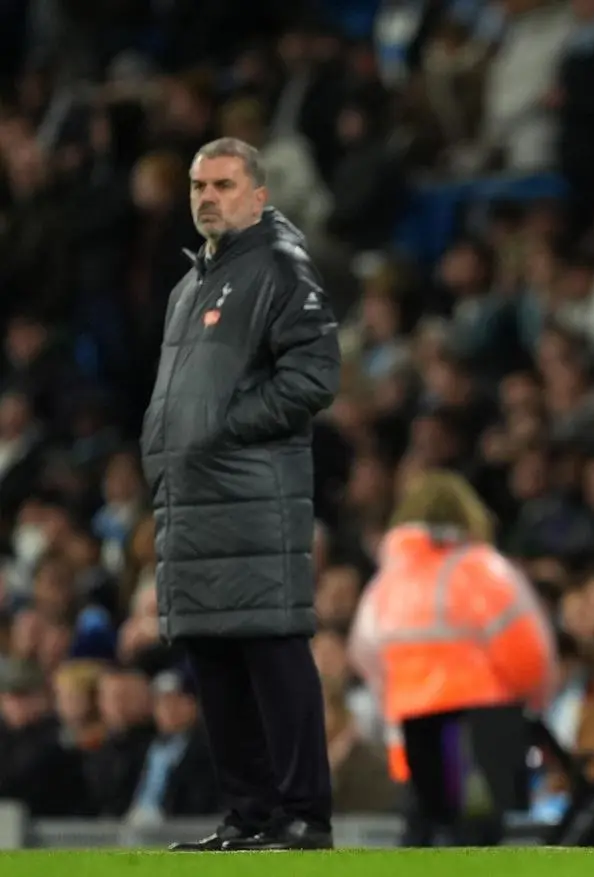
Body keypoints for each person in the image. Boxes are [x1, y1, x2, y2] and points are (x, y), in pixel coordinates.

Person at [139, 137, 342, 851]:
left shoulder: (279, 267)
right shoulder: (189, 284)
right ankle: (248, 814)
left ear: (259, 194)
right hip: (194, 504)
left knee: (271, 650)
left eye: (223, 184)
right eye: (198, 185)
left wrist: (224, 432)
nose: (207, 197)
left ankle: (302, 815)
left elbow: (315, 374)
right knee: (215, 658)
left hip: (252, 495)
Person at [348, 470, 557, 846]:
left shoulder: (388, 583)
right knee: (475, 844)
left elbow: (365, 654)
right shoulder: (485, 571)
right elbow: (531, 658)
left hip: (414, 735)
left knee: (422, 839)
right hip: (480, 733)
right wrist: (532, 707)